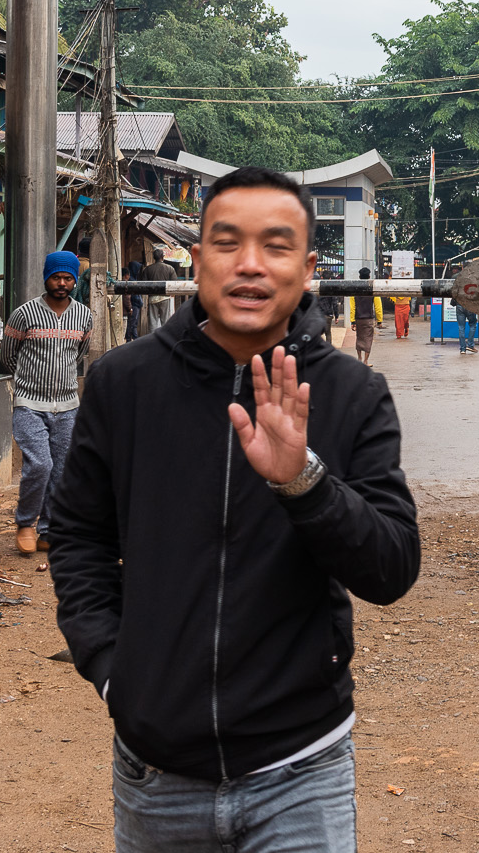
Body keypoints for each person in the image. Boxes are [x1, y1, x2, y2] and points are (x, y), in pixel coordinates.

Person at [47, 166, 419, 852]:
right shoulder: (125, 384)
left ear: (308, 268)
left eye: (276, 245)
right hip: (156, 772)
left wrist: (306, 482)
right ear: (197, 259)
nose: (250, 264)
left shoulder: (351, 393)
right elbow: (76, 536)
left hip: (300, 766)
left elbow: (392, 565)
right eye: (227, 242)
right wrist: (110, 669)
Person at [1, 251, 92, 557]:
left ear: (75, 281)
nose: (62, 283)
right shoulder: (25, 313)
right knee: (40, 464)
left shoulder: (84, 316)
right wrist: (31, 380)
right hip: (29, 403)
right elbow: (7, 355)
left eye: (68, 278)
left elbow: (79, 354)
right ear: (46, 277)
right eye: (56, 277)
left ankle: (49, 531)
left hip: (67, 405)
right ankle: (26, 523)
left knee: (62, 470)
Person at [141, 248, 179, 335]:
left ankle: (152, 342)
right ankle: (165, 340)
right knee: (165, 322)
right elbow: (175, 283)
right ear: (163, 257)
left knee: (152, 323)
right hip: (165, 298)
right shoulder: (170, 268)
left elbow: (143, 284)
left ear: (154, 257)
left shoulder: (147, 269)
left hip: (152, 298)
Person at [352, 266, 381, 365]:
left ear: (359, 276)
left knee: (359, 337)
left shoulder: (355, 289)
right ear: (369, 276)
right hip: (368, 318)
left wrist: (352, 321)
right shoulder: (372, 288)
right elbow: (378, 305)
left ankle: (359, 358)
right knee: (368, 338)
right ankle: (365, 360)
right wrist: (379, 320)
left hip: (358, 318)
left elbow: (353, 306)